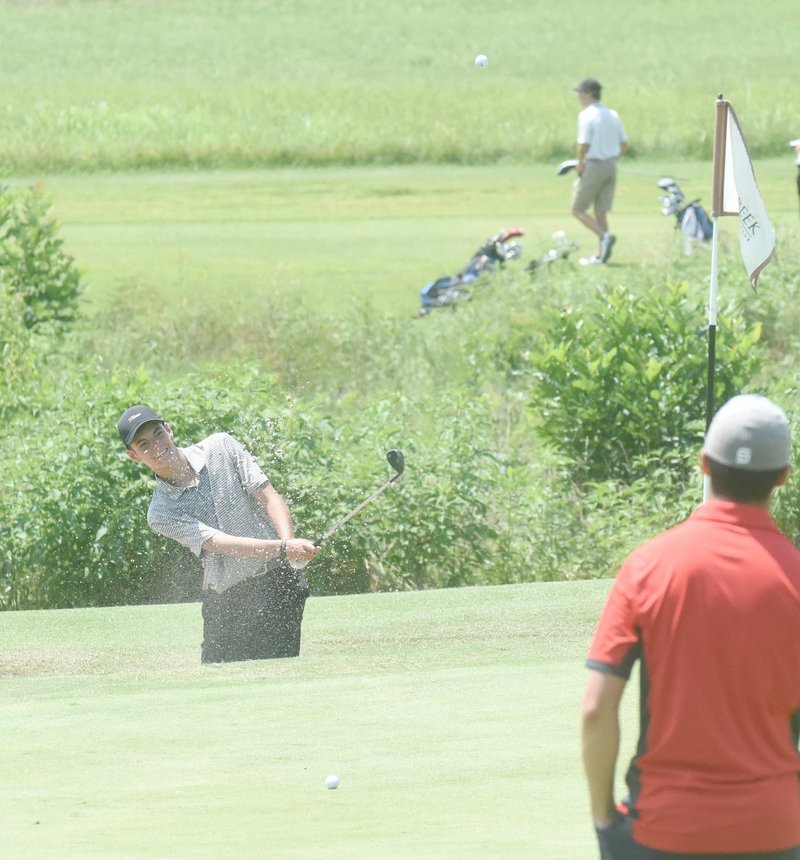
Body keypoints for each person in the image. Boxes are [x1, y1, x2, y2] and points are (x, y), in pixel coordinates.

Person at [582, 394, 800, 859]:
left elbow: (596, 710)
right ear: (783, 476)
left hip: (662, 830)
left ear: (705, 464)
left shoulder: (648, 566)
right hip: (776, 831)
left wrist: (603, 816)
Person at [118, 405, 319, 663]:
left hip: (278, 584)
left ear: (169, 429)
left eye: (158, 434)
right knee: (216, 687)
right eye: (143, 445)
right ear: (133, 456)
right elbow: (220, 543)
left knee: (279, 679)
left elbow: (267, 495)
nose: (156, 446)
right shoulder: (160, 513)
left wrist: (289, 545)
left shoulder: (221, 446)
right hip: (227, 601)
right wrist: (283, 548)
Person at [571, 77, 628, 266]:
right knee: (600, 210)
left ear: (589, 94)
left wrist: (580, 162)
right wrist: (613, 159)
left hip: (594, 165)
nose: (579, 97)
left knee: (578, 209)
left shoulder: (587, 115)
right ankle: (600, 256)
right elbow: (624, 143)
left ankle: (604, 237)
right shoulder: (612, 114)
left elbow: (584, 143)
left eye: (581, 93)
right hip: (611, 165)